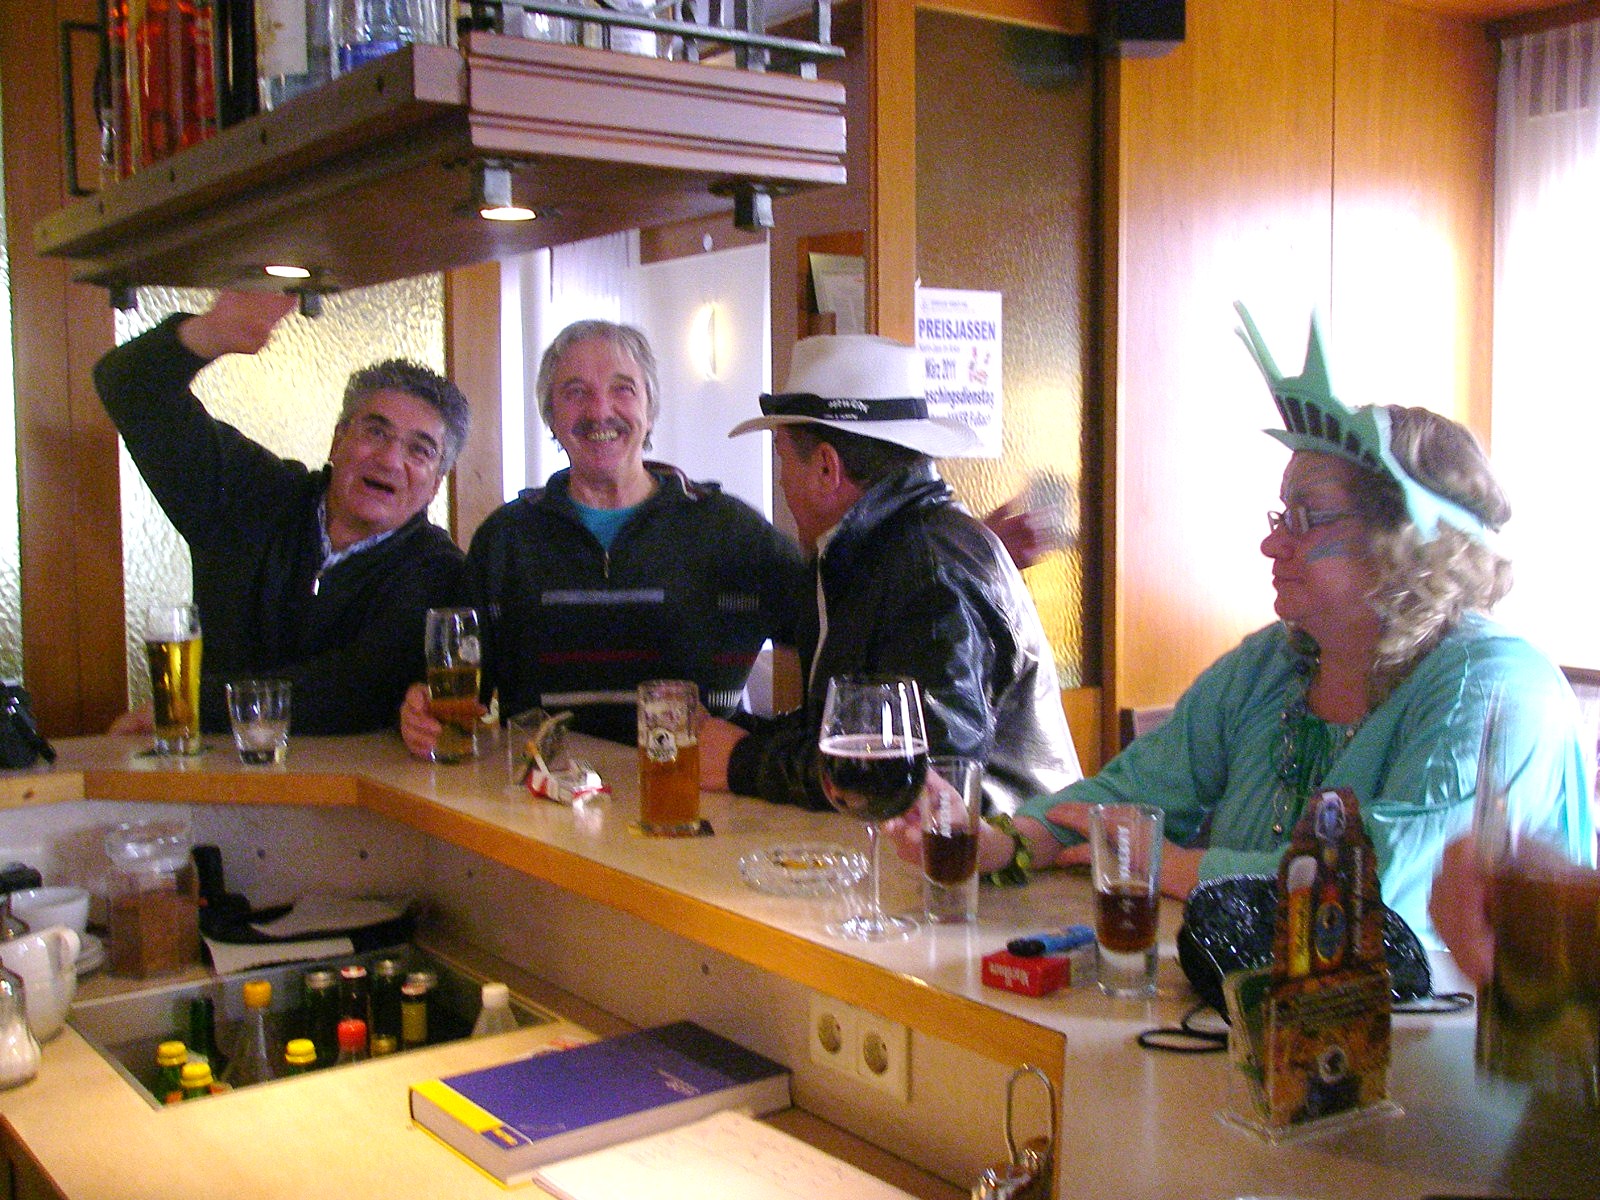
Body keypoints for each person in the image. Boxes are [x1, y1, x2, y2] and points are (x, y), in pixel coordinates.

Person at [896, 305, 1595, 943]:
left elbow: (1387, 886)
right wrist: (998, 841)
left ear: (1407, 539)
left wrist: (1173, 865)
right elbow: (1130, 794)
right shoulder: (1275, 662)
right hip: (1259, 1005)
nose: (1271, 543)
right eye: (1279, 516)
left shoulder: (1497, 686)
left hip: (1448, 1036)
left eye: (1306, 519)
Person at [698, 333, 1082, 815]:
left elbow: (923, 776)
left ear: (826, 468)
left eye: (782, 456)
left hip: (1004, 856)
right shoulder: (874, 550)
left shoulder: (928, 573)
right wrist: (737, 735)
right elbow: (851, 732)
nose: (780, 478)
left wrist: (742, 760)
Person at [399, 319, 808, 756]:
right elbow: (457, 690)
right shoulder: (504, 540)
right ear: (551, 416)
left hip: (689, 788)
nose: (599, 411)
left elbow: (832, 634)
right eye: (575, 392)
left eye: (622, 389)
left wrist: (776, 758)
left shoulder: (731, 531)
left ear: (650, 408)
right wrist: (421, 710)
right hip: (542, 792)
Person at [95, 290, 470, 735]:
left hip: (349, 777)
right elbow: (127, 386)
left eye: (419, 450)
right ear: (337, 441)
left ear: (436, 482)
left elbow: (353, 693)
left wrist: (187, 702)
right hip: (211, 769)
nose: (389, 459)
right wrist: (209, 333)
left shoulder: (438, 570)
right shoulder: (252, 494)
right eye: (375, 432)